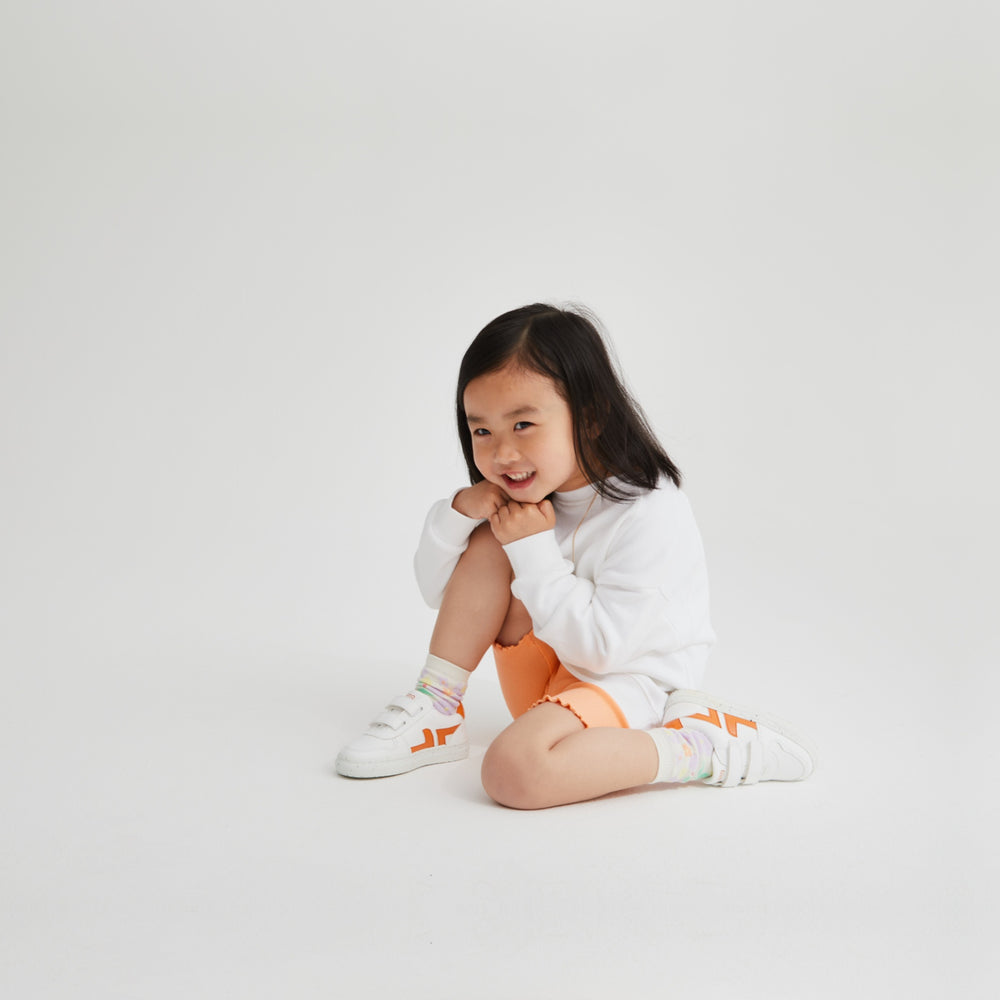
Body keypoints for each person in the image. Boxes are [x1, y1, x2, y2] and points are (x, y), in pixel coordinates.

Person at [336, 303, 816, 808]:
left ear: (590, 417)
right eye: (482, 431)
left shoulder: (650, 512)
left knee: (512, 771)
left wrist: (532, 550)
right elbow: (436, 592)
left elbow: (603, 651)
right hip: (548, 680)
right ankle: (436, 705)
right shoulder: (522, 500)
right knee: (490, 541)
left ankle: (701, 746)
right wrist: (457, 513)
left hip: (628, 683)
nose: (501, 454)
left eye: (523, 424)